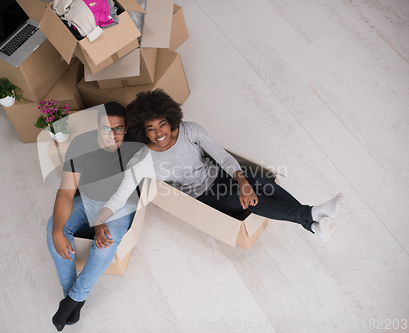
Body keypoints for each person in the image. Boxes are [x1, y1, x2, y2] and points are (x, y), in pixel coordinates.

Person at [93, 89, 343, 244]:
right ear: (142, 130)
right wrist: (100, 220)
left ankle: (312, 224)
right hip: (204, 197)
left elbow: (223, 158)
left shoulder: (190, 130)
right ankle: (310, 215)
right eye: (151, 128)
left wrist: (242, 181)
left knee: (259, 182)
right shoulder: (142, 161)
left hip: (220, 176)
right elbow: (120, 195)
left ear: (169, 120)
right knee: (252, 200)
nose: (159, 132)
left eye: (162, 124)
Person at [46, 102, 143, 331]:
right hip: (88, 199)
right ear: (97, 128)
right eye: (106, 129)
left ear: (126, 129)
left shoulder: (133, 146)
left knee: (106, 243)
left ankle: (73, 300)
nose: (112, 135)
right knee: (54, 227)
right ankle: (70, 294)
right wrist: (57, 231)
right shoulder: (81, 145)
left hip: (119, 205)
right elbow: (67, 192)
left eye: (118, 129)